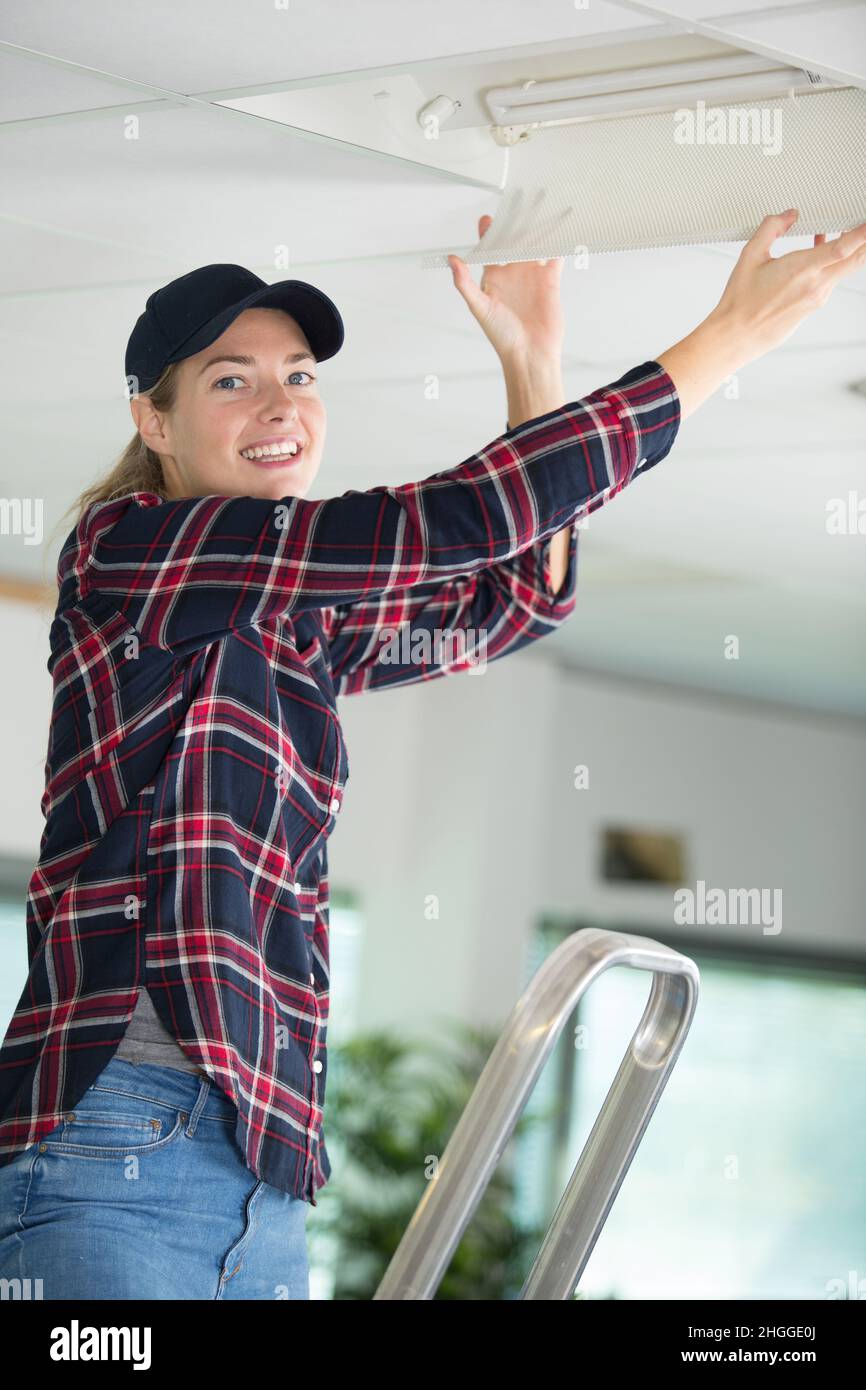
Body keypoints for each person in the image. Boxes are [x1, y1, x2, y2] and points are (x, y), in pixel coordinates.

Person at [0, 209, 863, 1302]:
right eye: (230, 381)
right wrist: (727, 339)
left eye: (300, 376)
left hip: (261, 1174)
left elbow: (511, 601)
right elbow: (458, 518)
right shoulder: (130, 551)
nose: (280, 405)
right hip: (111, 1138)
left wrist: (531, 364)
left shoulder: (293, 621)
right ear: (154, 422)